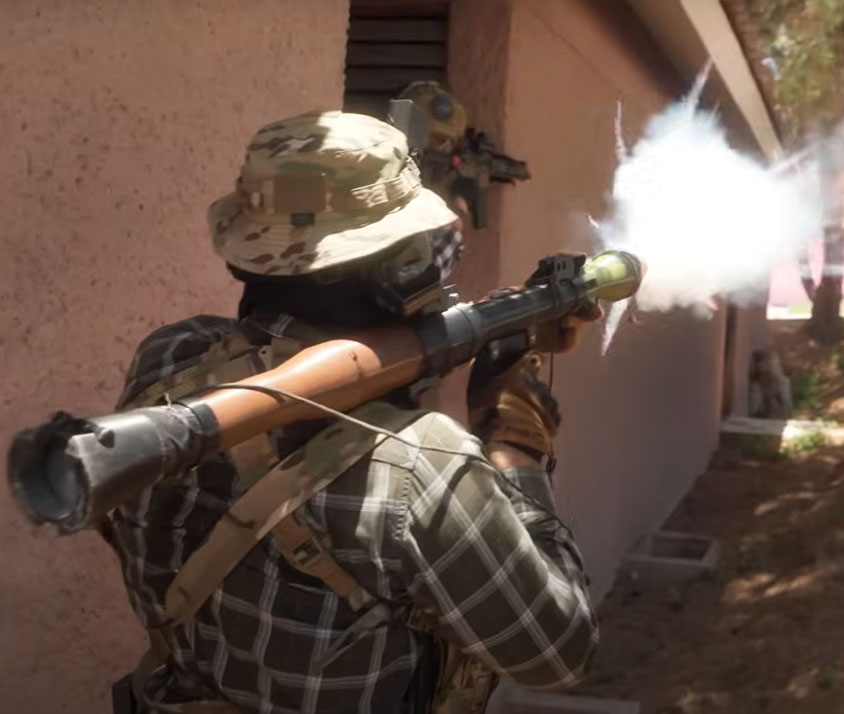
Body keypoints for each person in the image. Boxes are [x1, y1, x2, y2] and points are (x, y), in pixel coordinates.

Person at [104, 109, 599, 714]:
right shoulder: (420, 468)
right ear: (404, 267)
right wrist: (515, 440)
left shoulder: (170, 357)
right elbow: (558, 649)